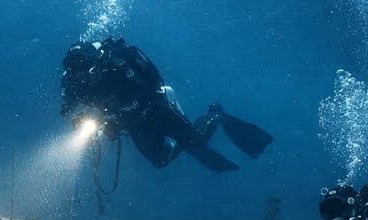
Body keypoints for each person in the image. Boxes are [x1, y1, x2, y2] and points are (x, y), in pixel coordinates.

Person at [59, 38, 273, 173]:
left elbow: (144, 91)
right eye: (77, 78)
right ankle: (173, 145)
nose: (84, 81)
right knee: (160, 161)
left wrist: (113, 118)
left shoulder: (118, 66)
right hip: (132, 123)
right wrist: (79, 119)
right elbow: (67, 107)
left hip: (156, 108)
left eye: (87, 76)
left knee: (196, 141)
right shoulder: (73, 84)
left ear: (97, 66)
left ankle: (215, 115)